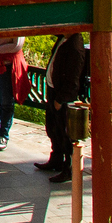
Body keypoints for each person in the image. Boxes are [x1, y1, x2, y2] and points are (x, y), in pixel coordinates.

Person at [39, 32, 89, 183]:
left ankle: (68, 168)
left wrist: (60, 100)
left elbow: (73, 77)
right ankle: (56, 160)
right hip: (54, 89)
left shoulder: (74, 46)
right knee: (53, 128)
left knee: (65, 134)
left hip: (62, 96)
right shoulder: (64, 38)